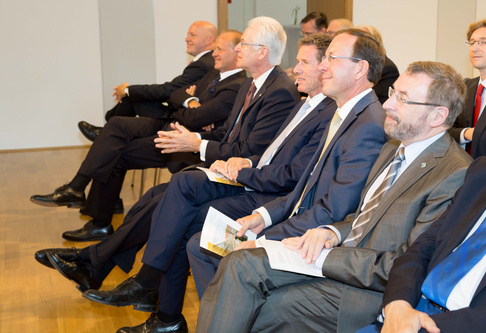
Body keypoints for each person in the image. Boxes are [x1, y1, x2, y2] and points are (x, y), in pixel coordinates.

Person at [37, 32, 337, 333]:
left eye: (302, 62)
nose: (294, 68)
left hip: (262, 194)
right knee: (162, 196)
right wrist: (212, 147)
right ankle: (136, 289)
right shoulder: (296, 100)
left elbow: (284, 171)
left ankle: (141, 284)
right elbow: (256, 148)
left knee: (177, 200)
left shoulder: (293, 97)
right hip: (244, 173)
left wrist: (224, 158)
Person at [195, 60, 473, 333]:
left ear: (438, 116)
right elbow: (365, 216)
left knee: (261, 306)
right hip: (340, 258)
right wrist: (331, 233)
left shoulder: (454, 174)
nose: (387, 104)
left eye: (403, 99)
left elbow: (405, 264)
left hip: (371, 293)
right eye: (392, 94)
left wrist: (326, 258)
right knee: (240, 262)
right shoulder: (393, 148)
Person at [31, 18, 300, 242]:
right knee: (117, 143)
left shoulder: (248, 85)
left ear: (262, 51)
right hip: (192, 138)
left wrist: (193, 136)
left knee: (134, 166)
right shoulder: (239, 82)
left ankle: (99, 232)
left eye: (237, 45)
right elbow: (180, 96)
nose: (222, 52)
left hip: (209, 155)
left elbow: (200, 118)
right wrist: (190, 113)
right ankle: (98, 226)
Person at [187, 28, 388, 298]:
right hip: (296, 221)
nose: (323, 66)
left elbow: (334, 211)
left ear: (360, 69)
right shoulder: (343, 113)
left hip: (315, 244)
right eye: (324, 58)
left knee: (217, 251)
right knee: (200, 244)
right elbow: (305, 185)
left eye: (332, 58)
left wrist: (265, 240)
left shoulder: (367, 125)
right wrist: (263, 217)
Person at [364, 154, 486, 333]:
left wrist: (418, 325)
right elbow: (423, 247)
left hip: (457, 324)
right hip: (412, 307)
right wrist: (398, 303)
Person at [79, 21, 218, 141]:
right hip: (180, 111)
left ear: (209, 40)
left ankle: (103, 133)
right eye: (187, 34)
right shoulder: (206, 61)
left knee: (132, 97)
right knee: (133, 97)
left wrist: (128, 90)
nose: (186, 39)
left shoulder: (204, 63)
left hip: (179, 118)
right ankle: (105, 132)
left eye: (192, 35)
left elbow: (170, 90)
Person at [450, 17, 486, 158]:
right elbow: (445, 129)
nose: (475, 48)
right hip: (461, 170)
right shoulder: (466, 87)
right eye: (472, 43)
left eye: (483, 42)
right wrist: (465, 134)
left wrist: (477, 134)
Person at [357, 24, 399, 104]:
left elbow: (377, 103)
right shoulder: (356, 64)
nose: (360, 45)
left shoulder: (388, 69)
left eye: (364, 41)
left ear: (376, 43)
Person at [285, 12, 328, 81]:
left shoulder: (328, 52)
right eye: (303, 33)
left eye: (308, 34)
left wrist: (296, 79)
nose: (305, 37)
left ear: (322, 31)